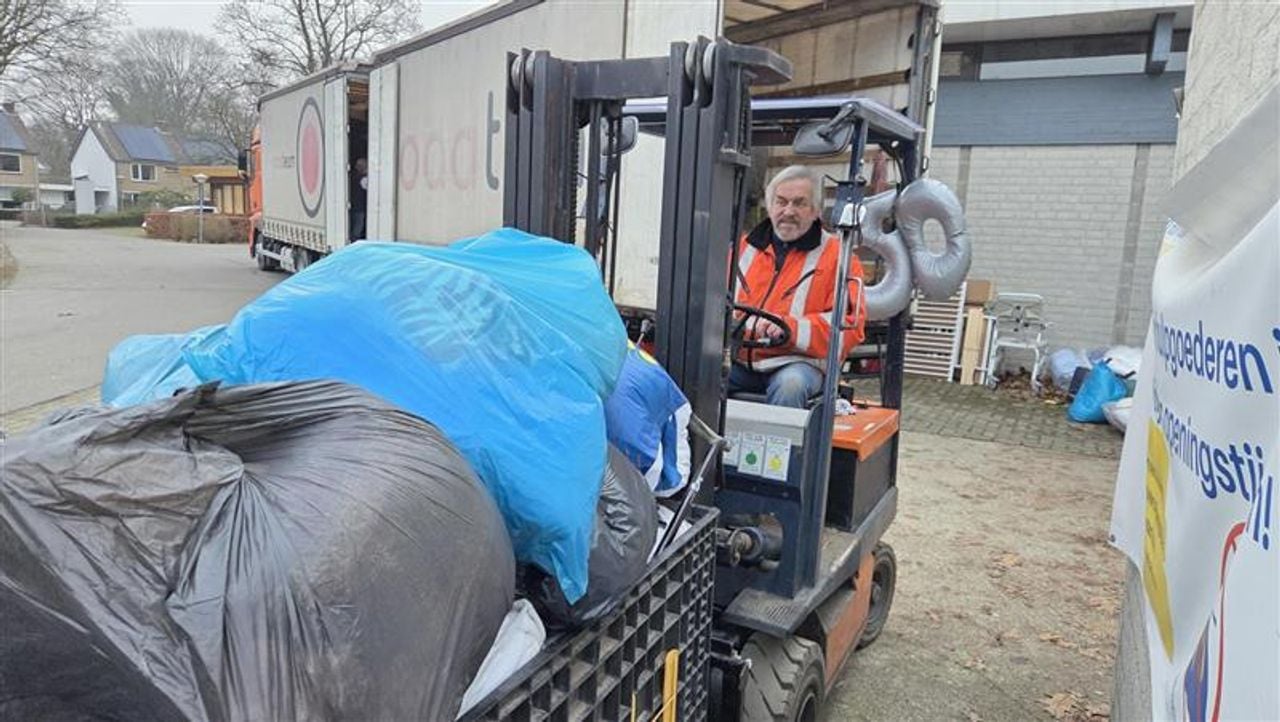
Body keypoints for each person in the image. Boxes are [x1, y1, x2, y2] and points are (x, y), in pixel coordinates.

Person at [728, 165, 868, 408]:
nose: (788, 211)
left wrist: (789, 329)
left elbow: (849, 328)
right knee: (690, 373)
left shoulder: (838, 258)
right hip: (740, 360)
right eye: (781, 202)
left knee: (790, 386)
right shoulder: (742, 250)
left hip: (798, 364)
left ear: (815, 211)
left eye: (799, 203)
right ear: (769, 207)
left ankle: (781, 448)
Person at [350, 157, 368, 241]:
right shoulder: (362, 179)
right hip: (359, 208)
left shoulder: (352, 176)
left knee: (356, 228)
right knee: (357, 229)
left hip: (354, 207)